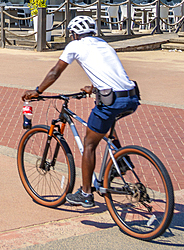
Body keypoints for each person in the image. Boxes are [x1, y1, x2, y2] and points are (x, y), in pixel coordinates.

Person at [22, 15, 139, 208]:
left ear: (74, 34)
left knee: (89, 143)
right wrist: (93, 88)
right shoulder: (103, 44)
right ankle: (121, 161)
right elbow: (109, 71)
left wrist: (37, 91)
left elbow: (55, 72)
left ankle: (85, 194)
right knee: (106, 126)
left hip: (111, 100)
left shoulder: (75, 45)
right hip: (131, 97)